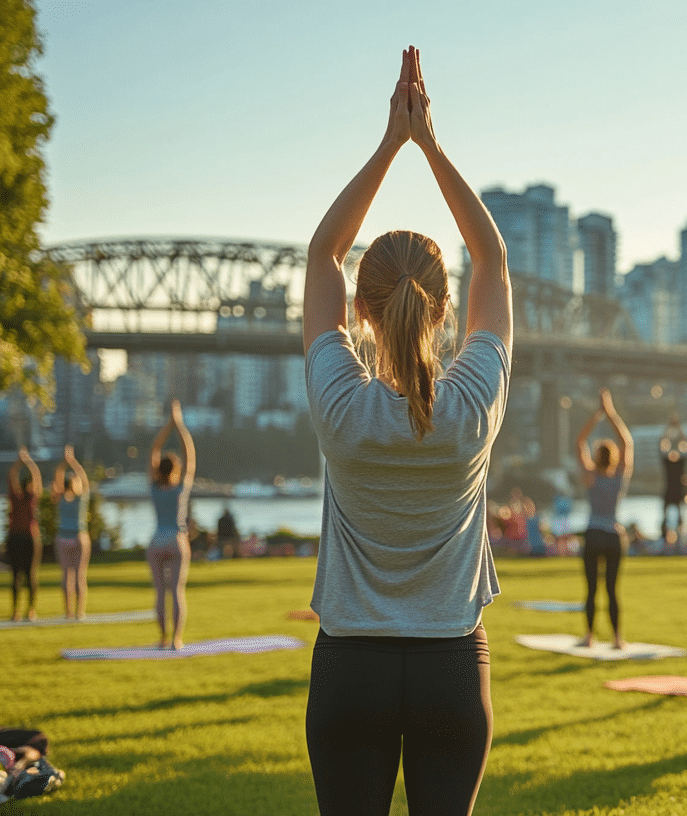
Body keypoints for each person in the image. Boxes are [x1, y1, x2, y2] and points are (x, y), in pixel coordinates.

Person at [301, 46, 510, 816]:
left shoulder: (341, 408)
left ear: (361, 313)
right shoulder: (472, 404)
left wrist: (390, 143)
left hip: (349, 669)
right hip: (451, 668)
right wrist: (429, 143)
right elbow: (492, 256)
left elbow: (323, 251)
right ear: (445, 311)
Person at [575, 389, 633, 649]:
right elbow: (626, 443)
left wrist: (596, 414)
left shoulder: (591, 477)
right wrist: (611, 413)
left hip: (594, 534)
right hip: (613, 536)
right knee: (612, 590)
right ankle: (618, 639)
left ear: (596, 458)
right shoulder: (619, 478)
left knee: (591, 590)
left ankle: (589, 637)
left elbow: (579, 442)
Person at [148, 400, 194, 649]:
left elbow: (154, 451)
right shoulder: (179, 489)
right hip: (176, 540)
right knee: (176, 592)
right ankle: (176, 639)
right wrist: (179, 426)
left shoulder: (155, 487)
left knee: (160, 594)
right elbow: (190, 456)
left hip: (156, 541)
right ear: (174, 470)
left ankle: (162, 638)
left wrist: (167, 427)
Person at [51, 446, 91, 620]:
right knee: (80, 576)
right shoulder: (80, 500)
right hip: (79, 536)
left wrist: (63, 464)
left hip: (63, 537)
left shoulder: (59, 500)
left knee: (66, 575)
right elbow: (85, 479)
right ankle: (79, 611)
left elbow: (56, 479)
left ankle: (68, 612)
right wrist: (73, 462)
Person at [5, 450, 42, 622]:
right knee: (16, 576)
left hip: (29, 539)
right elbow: (11, 475)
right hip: (15, 538)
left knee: (30, 575)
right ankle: (15, 611)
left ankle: (31, 609)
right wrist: (20, 462)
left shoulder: (32, 499)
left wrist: (29, 462)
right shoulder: (15, 497)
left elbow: (37, 478)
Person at [660, 417, 687, 552]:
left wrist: (670, 429)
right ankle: (675, 542)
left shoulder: (672, 464)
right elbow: (685, 445)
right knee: (675, 518)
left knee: (671, 518)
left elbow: (662, 445)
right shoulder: (680, 464)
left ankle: (670, 542)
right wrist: (677, 428)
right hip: (676, 493)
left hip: (671, 493)